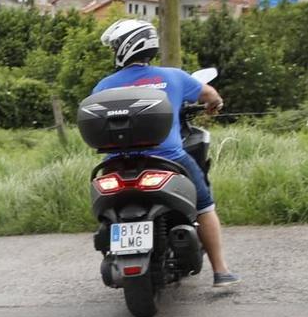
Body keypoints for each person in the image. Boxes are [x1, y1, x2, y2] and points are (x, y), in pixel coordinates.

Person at [92, 18, 238, 288]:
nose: (113, 51)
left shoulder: (104, 86)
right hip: (168, 159)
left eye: (114, 47)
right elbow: (210, 94)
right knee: (204, 206)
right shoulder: (172, 76)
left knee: (103, 205)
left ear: (125, 47)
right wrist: (214, 105)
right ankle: (221, 271)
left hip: (116, 163)